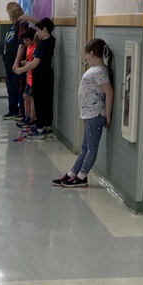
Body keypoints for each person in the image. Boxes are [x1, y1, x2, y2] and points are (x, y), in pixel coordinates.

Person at [53, 39, 113, 187]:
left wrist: (108, 115)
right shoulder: (96, 70)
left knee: (91, 147)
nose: (85, 58)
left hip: (96, 115)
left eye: (86, 55)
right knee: (84, 147)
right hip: (89, 114)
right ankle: (73, 173)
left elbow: (109, 93)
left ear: (91, 54)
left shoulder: (99, 71)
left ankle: (82, 176)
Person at [14, 17, 56, 138]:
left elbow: (35, 63)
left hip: (40, 76)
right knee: (47, 101)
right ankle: (47, 127)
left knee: (39, 102)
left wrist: (20, 70)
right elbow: (40, 23)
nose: (37, 33)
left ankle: (39, 129)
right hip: (48, 75)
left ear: (45, 30)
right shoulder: (51, 40)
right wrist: (28, 18)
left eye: (38, 30)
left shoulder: (42, 45)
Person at [1, 2, 30, 119]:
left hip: (16, 62)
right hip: (8, 62)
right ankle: (12, 109)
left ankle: (22, 111)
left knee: (18, 87)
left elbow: (21, 45)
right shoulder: (12, 25)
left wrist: (16, 62)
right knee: (10, 87)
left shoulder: (22, 25)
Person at [14, 27, 37, 133]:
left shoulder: (34, 48)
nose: (25, 42)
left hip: (33, 78)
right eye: (24, 40)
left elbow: (34, 63)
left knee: (31, 99)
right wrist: (24, 62)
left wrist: (26, 64)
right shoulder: (28, 48)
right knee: (25, 96)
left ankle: (32, 119)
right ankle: (26, 117)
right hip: (28, 77)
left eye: (27, 40)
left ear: (32, 39)